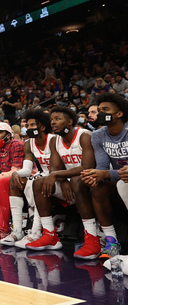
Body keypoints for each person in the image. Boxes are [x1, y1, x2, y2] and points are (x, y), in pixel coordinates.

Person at [26, 106, 98, 260]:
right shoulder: (55, 140)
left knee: (77, 180)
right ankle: (50, 235)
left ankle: (92, 239)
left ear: (70, 122)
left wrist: (59, 175)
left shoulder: (84, 136)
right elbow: (55, 168)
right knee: (38, 183)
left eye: (57, 119)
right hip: (70, 182)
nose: (53, 123)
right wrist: (63, 180)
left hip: (91, 181)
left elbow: (87, 167)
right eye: (52, 120)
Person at [79, 93, 128, 262]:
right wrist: (95, 175)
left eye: (105, 110)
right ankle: (111, 241)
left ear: (119, 113)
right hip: (120, 180)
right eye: (99, 110)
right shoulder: (98, 135)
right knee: (96, 185)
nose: (100, 113)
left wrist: (106, 173)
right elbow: (101, 167)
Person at [2, 108, 55, 248]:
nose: (27, 128)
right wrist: (16, 174)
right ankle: (18, 230)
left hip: (55, 177)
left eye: (32, 125)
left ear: (42, 127)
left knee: (37, 183)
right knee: (14, 180)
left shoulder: (53, 140)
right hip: (43, 176)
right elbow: (26, 169)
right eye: (26, 125)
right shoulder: (28, 144)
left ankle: (35, 232)